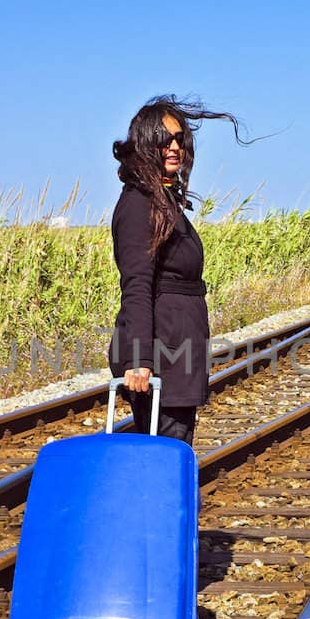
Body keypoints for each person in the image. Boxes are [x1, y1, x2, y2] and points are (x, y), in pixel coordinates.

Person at [108, 96, 244, 447]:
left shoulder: (162, 202)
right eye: (164, 139)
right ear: (144, 143)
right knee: (164, 455)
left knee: (169, 451)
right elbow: (136, 284)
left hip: (177, 350)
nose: (174, 146)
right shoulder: (139, 204)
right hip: (162, 353)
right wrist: (139, 359)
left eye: (179, 139)